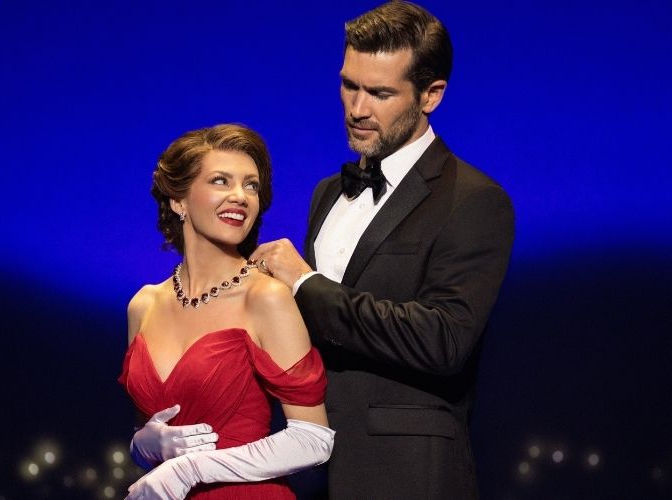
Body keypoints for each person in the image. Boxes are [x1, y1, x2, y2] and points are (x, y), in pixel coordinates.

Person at [249, 2, 515, 498]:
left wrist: (305, 285)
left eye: (380, 93)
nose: (357, 108)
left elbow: (443, 340)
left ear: (431, 95)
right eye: (349, 85)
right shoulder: (328, 192)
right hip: (312, 467)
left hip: (406, 473)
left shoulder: (473, 200)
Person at [118, 124, 335, 499]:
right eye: (221, 181)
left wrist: (189, 469)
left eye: (251, 186)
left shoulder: (265, 297)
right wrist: (142, 445)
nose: (240, 197)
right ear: (178, 200)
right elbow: (148, 429)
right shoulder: (143, 305)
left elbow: (313, 440)